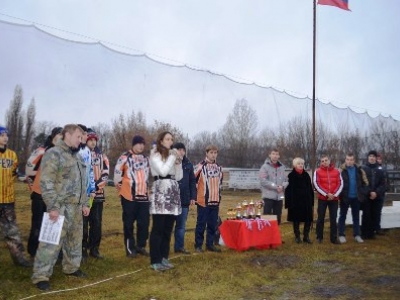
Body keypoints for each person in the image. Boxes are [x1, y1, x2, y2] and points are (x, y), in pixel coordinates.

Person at [32, 124, 90, 291]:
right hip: (59, 206)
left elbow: (82, 183)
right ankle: (41, 276)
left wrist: (85, 203)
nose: (81, 140)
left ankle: (71, 268)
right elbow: (46, 182)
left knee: (74, 241)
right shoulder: (53, 153)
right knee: (50, 243)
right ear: (68, 135)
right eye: (79, 137)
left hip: (76, 207)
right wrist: (53, 206)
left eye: (82, 137)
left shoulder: (77, 157)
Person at [26, 126, 63, 257]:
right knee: (37, 223)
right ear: (53, 136)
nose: (61, 137)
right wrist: (35, 187)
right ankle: (33, 250)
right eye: (59, 134)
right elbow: (29, 170)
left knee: (51, 225)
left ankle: (48, 252)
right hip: (39, 195)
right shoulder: (41, 151)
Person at [149, 131, 183, 271]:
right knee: (158, 228)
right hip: (161, 191)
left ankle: (164, 257)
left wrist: (178, 163)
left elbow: (179, 176)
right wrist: (171, 158)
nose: (170, 141)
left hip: (172, 191)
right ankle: (155, 260)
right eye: (168, 139)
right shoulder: (155, 155)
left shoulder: (171, 156)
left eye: (171, 139)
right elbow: (163, 172)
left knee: (168, 228)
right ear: (161, 141)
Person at [0, 126, 32, 267]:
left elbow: (15, 173)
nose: (5, 137)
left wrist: (23, 178)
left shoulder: (12, 155)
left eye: (7, 134)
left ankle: (19, 259)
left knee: (12, 231)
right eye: (2, 135)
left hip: (7, 200)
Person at [114, 135, 150, 258]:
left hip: (144, 197)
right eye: (138, 143)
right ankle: (130, 249)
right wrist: (123, 191)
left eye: (143, 144)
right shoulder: (124, 158)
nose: (141, 146)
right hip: (129, 197)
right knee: (128, 224)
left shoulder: (146, 159)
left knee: (144, 223)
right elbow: (117, 177)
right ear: (133, 144)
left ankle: (141, 246)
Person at [82, 129, 109, 259]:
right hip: (84, 195)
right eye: (90, 140)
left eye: (94, 140)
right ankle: (82, 250)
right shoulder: (81, 153)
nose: (92, 142)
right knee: (83, 223)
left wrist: (97, 186)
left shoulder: (102, 156)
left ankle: (94, 249)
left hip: (98, 195)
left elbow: (106, 173)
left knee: (96, 223)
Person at [194, 144, 223, 253]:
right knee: (201, 224)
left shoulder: (219, 168)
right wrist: (195, 195)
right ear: (207, 153)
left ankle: (210, 244)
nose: (213, 155)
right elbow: (193, 180)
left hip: (215, 201)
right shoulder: (201, 166)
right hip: (203, 201)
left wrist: (219, 197)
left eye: (215, 153)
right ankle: (198, 245)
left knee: (212, 224)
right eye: (211, 152)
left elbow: (220, 183)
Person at [338, 153, 369, 244]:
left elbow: (366, 183)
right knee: (342, 216)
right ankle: (341, 235)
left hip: (356, 198)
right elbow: (337, 183)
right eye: (347, 159)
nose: (349, 161)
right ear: (345, 160)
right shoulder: (341, 171)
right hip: (345, 198)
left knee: (356, 217)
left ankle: (357, 235)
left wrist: (362, 193)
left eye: (351, 159)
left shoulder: (360, 171)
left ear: (354, 160)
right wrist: (341, 194)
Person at [313, 154, 343, 244]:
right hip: (322, 199)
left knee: (333, 218)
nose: (324, 162)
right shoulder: (317, 172)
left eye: (326, 160)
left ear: (329, 161)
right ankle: (319, 237)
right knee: (320, 218)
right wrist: (327, 194)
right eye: (322, 161)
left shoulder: (337, 171)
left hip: (334, 199)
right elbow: (317, 184)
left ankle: (333, 238)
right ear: (320, 162)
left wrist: (334, 195)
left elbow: (340, 184)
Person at [173, 142, 197, 254]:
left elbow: (193, 182)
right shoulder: (170, 163)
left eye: (183, 149)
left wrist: (193, 196)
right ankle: (163, 249)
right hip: (171, 199)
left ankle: (179, 247)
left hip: (184, 199)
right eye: (179, 149)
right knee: (167, 226)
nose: (181, 152)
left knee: (181, 226)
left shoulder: (188, 165)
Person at [284, 157, 314, 244]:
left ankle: (306, 236)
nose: (300, 165)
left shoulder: (306, 175)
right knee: (296, 220)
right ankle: (297, 236)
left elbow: (310, 189)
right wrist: (289, 203)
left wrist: (311, 201)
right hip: (295, 202)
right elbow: (288, 191)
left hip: (306, 202)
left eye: (302, 164)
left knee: (307, 219)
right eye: (298, 164)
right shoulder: (291, 176)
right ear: (294, 165)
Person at [361, 150, 386, 240]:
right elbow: (362, 182)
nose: (372, 158)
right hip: (366, 196)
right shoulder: (363, 168)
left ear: (376, 158)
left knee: (374, 214)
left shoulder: (380, 170)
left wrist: (376, 192)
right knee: (366, 214)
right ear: (368, 158)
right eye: (370, 156)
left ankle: (372, 233)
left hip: (377, 197)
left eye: (373, 156)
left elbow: (383, 184)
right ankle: (364, 233)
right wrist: (369, 192)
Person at [259, 148, 288, 225]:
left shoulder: (282, 167)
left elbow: (286, 180)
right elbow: (263, 180)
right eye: (273, 154)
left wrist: (282, 186)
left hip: (279, 197)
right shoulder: (265, 167)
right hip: (268, 197)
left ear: (279, 156)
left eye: (277, 154)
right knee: (267, 217)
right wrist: (276, 187)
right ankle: (266, 235)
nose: (275, 156)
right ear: (270, 155)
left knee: (277, 217)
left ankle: (275, 235)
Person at [375, 153, 388, 235]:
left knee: (378, 211)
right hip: (374, 193)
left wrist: (386, 189)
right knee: (372, 211)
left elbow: (386, 180)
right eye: (378, 159)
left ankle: (377, 227)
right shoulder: (373, 169)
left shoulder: (384, 169)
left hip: (381, 194)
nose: (379, 160)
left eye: (380, 159)